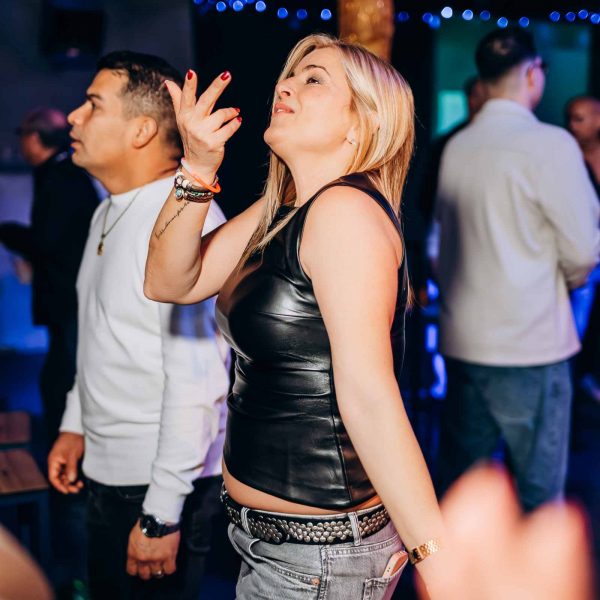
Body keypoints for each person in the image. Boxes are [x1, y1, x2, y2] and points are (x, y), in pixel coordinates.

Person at [145, 33, 447, 598]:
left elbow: (370, 396)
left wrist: (434, 557)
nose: (285, 86)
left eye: (314, 80)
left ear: (362, 124)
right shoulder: (285, 210)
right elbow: (169, 281)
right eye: (289, 76)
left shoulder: (344, 212)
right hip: (278, 548)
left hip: (320, 558)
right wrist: (197, 167)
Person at [46, 51, 230, 599]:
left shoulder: (184, 220)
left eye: (93, 105)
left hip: (160, 485)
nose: (74, 117)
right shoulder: (109, 208)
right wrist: (75, 424)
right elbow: (98, 334)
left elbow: (198, 383)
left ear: (142, 130)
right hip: (108, 473)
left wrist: (160, 516)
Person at [434, 28, 600, 510]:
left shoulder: (458, 145)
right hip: (532, 344)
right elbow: (584, 250)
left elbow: (442, 247)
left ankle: (450, 564)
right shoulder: (551, 144)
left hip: (465, 341)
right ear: (532, 74)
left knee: (463, 493)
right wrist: (564, 283)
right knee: (538, 494)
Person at [0, 108, 99, 446]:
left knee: (63, 379)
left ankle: (67, 451)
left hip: (72, 295)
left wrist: (7, 232)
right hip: (69, 293)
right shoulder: (58, 174)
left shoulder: (62, 177)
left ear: (35, 138)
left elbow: (48, 240)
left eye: (23, 135)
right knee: (60, 375)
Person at [566, 96, 600, 402]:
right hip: (582, 257)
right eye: (570, 118)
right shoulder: (564, 156)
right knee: (575, 328)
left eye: (579, 118)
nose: (572, 125)